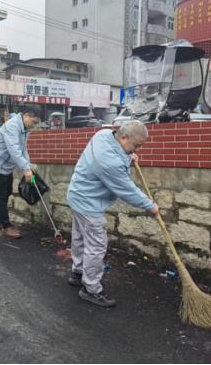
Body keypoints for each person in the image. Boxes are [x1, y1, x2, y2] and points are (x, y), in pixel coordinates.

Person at [66, 120, 159, 307]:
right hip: (89, 204)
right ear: (123, 137)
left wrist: (128, 156)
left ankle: (78, 272)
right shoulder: (110, 162)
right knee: (96, 245)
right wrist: (150, 206)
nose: (137, 150)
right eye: (136, 146)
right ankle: (91, 289)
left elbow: (118, 158)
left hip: (77, 195)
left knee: (80, 238)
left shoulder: (103, 135)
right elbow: (126, 189)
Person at [0, 107, 40, 239]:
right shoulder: (12, 126)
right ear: (26, 115)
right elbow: (14, 150)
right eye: (33, 122)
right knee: (1, 196)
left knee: (7, 192)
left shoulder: (25, 129)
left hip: (7, 166)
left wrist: (28, 165)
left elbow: (23, 149)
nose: (34, 126)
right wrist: (25, 169)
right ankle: (6, 226)